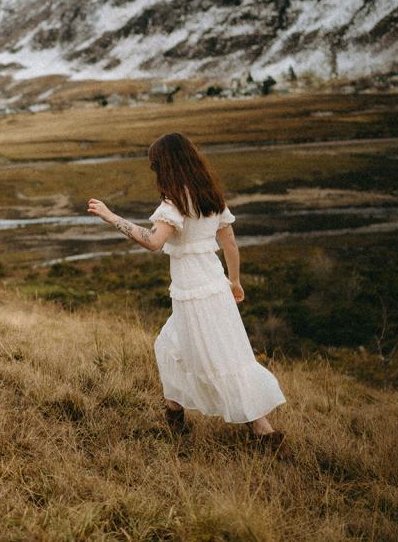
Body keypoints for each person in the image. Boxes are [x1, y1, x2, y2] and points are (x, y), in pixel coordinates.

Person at [87, 132, 288, 452]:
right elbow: (231, 245)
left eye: (155, 167)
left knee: (218, 360)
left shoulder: (174, 204)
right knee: (172, 347)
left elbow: (153, 242)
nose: (155, 174)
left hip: (193, 293)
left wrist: (111, 217)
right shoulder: (211, 196)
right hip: (213, 286)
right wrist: (234, 282)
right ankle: (176, 416)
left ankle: (262, 433)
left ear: (166, 166)